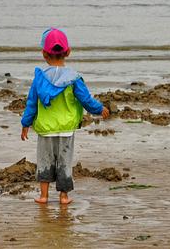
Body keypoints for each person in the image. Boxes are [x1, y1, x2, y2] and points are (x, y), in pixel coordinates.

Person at [20, 27, 109, 205]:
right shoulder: (74, 78)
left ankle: (44, 196)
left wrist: (25, 123)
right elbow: (85, 99)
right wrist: (99, 109)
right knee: (64, 162)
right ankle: (63, 197)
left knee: (44, 161)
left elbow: (31, 103)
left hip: (46, 129)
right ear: (68, 52)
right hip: (66, 129)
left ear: (44, 54)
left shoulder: (40, 78)